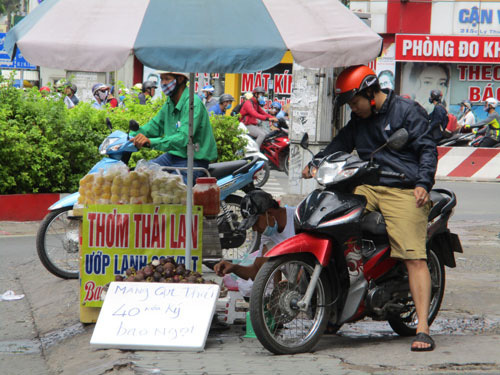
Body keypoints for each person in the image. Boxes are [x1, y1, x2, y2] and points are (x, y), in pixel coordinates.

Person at [302, 65, 437, 352]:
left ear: (370, 93)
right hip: (367, 187)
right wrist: (316, 161)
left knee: (413, 256)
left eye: (355, 102)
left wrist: (423, 183)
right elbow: (340, 144)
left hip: (403, 188)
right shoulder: (358, 120)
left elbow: (427, 148)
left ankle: (423, 326)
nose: (353, 108)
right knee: (331, 223)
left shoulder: (406, 111)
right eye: (350, 104)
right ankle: (342, 297)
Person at [130, 71, 218, 182]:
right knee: (140, 177)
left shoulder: (192, 103)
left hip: (193, 159)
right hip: (172, 156)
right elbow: (155, 126)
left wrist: (150, 142)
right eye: (161, 79)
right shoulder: (170, 102)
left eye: (167, 79)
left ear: (180, 79)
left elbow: (183, 138)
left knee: (170, 191)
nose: (163, 83)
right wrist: (131, 135)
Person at [214, 190, 295, 298]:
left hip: (311, 279)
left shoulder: (297, 219)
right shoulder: (268, 236)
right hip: (296, 290)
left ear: (269, 213)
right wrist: (233, 268)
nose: (254, 229)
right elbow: (257, 271)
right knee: (270, 250)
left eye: (255, 223)